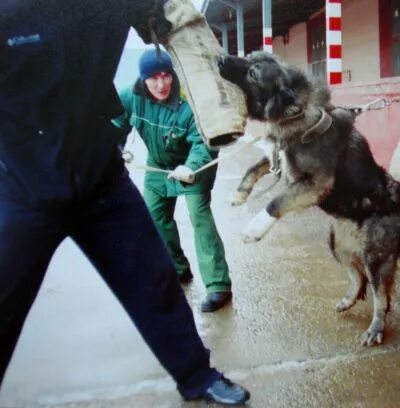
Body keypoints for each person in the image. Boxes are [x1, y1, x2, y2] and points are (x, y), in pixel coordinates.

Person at [0, 0, 248, 405]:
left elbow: (182, 26)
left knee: (155, 280)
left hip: (100, 179)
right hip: (21, 184)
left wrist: (219, 112)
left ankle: (196, 375)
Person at [114, 48, 233, 313]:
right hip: (158, 166)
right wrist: (114, 151)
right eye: (153, 78)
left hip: (194, 166)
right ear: (143, 79)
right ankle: (177, 269)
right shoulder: (130, 96)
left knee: (199, 218)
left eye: (166, 76)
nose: (161, 84)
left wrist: (191, 166)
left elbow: (204, 143)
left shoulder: (190, 100)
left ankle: (218, 285)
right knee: (156, 218)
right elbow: (114, 127)